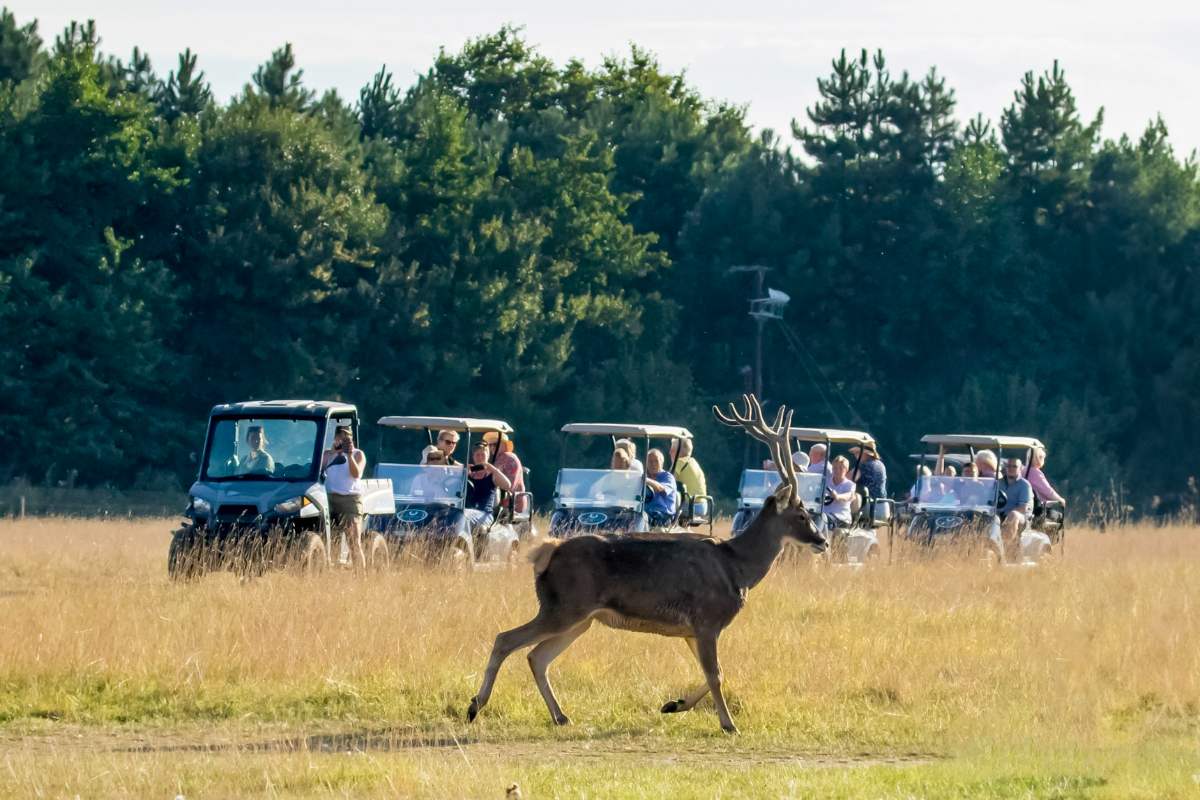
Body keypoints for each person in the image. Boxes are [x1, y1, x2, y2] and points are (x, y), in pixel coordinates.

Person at [321, 427, 367, 569]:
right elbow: (319, 470)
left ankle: (361, 575)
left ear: (351, 439)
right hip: (329, 499)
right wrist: (332, 453)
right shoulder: (328, 455)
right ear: (335, 438)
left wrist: (349, 455)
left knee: (354, 542)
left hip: (349, 500)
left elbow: (356, 474)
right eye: (339, 436)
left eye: (346, 437)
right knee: (331, 541)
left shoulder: (358, 454)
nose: (342, 439)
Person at [464, 441, 511, 530]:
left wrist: (494, 469)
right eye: (477, 455)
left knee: (464, 515)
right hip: (467, 512)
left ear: (488, 456)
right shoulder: (468, 475)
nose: (480, 457)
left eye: (483, 455)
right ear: (473, 456)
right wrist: (464, 473)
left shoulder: (492, 476)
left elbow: (507, 485)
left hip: (484, 515)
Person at [998, 457, 1034, 561]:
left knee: (1012, 515)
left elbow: (1023, 508)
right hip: (1000, 515)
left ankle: (1006, 549)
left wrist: (1007, 515)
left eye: (1014, 466)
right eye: (1009, 466)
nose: (1011, 468)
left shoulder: (1024, 485)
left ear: (1020, 469)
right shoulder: (998, 483)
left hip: (1020, 517)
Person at [484, 431, 527, 515]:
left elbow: (491, 474)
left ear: (504, 445)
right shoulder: (511, 456)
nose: (492, 447)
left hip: (508, 503)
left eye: (495, 444)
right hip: (515, 501)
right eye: (490, 445)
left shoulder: (505, 456)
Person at [670, 437, 708, 518]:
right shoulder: (693, 462)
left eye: (672, 450)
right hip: (702, 506)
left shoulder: (679, 462)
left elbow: (669, 482)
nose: (669, 453)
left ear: (679, 452)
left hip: (690, 506)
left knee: (663, 509)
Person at [643, 448, 677, 527]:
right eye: (650, 461)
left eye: (656, 461)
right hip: (645, 513)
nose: (653, 464)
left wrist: (645, 479)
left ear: (662, 463)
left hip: (663, 515)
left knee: (643, 518)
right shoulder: (644, 477)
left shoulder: (668, 477)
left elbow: (660, 488)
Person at [822, 455, 855, 528]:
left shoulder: (850, 484)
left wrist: (837, 496)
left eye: (841, 469)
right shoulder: (826, 482)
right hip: (824, 514)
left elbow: (848, 495)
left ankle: (826, 539)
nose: (837, 471)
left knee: (826, 521)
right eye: (835, 468)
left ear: (846, 470)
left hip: (841, 517)